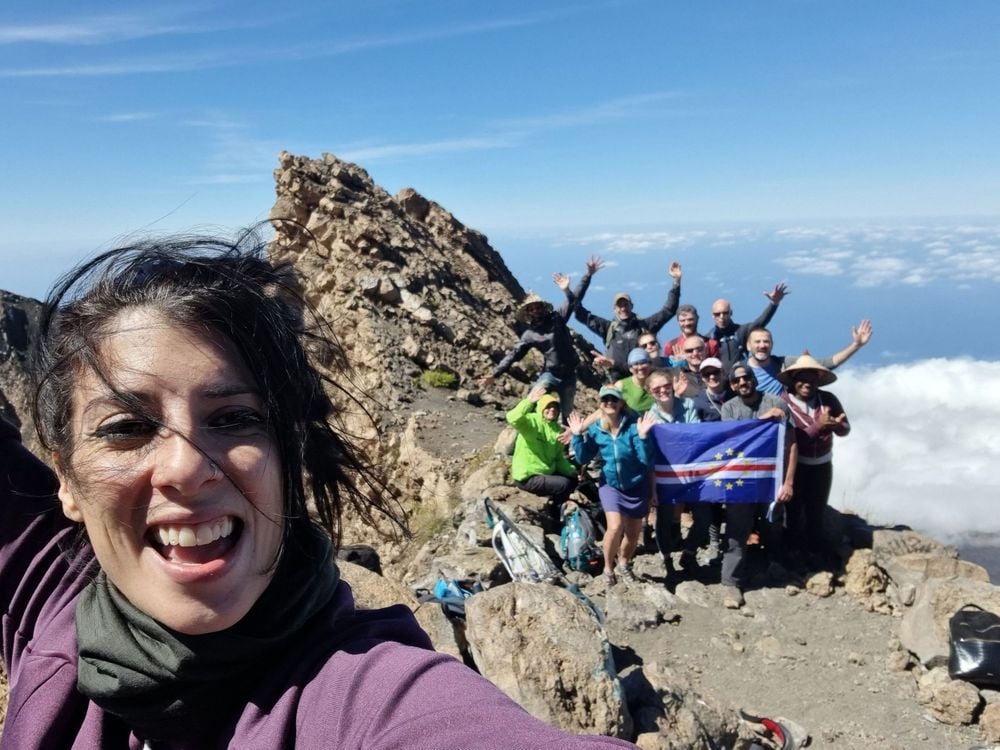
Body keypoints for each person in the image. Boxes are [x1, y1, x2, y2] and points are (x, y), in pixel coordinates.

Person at [3, 234, 635, 748]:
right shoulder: (52, 604)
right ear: (65, 478)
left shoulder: (370, 695)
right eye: (127, 428)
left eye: (233, 419)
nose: (184, 469)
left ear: (287, 453)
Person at [719, 363, 798, 610]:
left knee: (773, 526)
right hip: (740, 482)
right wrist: (764, 420)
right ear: (731, 385)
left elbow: (791, 445)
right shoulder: (729, 408)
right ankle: (731, 583)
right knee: (737, 533)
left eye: (746, 378)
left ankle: (776, 568)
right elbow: (734, 439)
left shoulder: (776, 402)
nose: (742, 383)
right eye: (737, 381)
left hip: (770, 479)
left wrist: (788, 482)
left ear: (754, 379)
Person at [568, 387, 656, 587]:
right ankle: (608, 569)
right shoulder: (596, 429)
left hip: (637, 486)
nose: (610, 403)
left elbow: (646, 460)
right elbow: (583, 457)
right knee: (615, 527)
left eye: (614, 399)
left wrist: (643, 437)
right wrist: (577, 435)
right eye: (605, 399)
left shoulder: (634, 427)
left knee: (633, 535)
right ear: (600, 404)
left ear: (621, 403)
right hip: (611, 485)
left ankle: (624, 564)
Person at [478, 266, 592, 417]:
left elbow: (573, 301)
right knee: (531, 404)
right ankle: (522, 434)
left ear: (543, 308)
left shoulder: (557, 318)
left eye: (537, 307)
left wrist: (570, 287)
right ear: (527, 313)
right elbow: (514, 355)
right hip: (550, 374)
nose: (535, 311)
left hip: (569, 376)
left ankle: (564, 440)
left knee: (567, 417)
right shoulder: (530, 334)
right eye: (531, 309)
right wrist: (495, 373)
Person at [777, 355, 851, 571]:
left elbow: (846, 428)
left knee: (815, 511)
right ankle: (792, 555)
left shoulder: (827, 400)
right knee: (793, 512)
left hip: (822, 465)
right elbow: (789, 440)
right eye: (802, 378)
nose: (807, 383)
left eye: (812, 379)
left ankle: (815, 555)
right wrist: (817, 427)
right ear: (793, 379)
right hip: (796, 466)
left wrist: (837, 426)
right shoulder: (783, 404)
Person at [573, 259, 683, 380]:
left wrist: (676, 281)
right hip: (618, 385)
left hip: (644, 381)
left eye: (626, 304)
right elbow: (578, 311)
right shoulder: (607, 328)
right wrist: (587, 276)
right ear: (614, 309)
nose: (623, 308)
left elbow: (669, 310)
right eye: (620, 306)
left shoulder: (645, 326)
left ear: (632, 306)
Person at [643, 369, 703, 583]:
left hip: (691, 471)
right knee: (664, 518)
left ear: (672, 384)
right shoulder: (650, 417)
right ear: (650, 392)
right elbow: (649, 450)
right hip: (665, 475)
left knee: (704, 517)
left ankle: (688, 555)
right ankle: (666, 559)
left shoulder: (687, 406)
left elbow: (696, 434)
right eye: (656, 388)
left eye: (665, 385)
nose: (662, 390)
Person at [745, 320, 873, 395]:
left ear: (772, 345)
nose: (762, 345)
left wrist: (856, 345)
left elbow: (828, 363)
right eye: (757, 342)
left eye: (766, 342)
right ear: (748, 346)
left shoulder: (784, 363)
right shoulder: (739, 371)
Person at [506, 385, 578, 508]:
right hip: (528, 477)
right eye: (548, 407)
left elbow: (558, 458)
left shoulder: (558, 430)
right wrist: (528, 402)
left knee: (573, 480)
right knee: (563, 484)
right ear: (541, 408)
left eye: (555, 407)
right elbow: (512, 418)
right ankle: (558, 513)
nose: (552, 410)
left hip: (545, 473)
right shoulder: (531, 423)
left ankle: (560, 506)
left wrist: (572, 471)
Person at [706, 283, 789, 371]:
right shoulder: (708, 339)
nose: (721, 317)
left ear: (731, 313)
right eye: (717, 314)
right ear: (713, 316)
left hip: (741, 381)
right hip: (719, 382)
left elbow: (761, 322)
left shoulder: (741, 332)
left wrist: (773, 304)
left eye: (725, 313)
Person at [613, 347, 655, 413]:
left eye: (643, 362)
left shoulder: (659, 382)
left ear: (650, 364)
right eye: (635, 364)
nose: (640, 367)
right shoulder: (621, 385)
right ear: (630, 368)